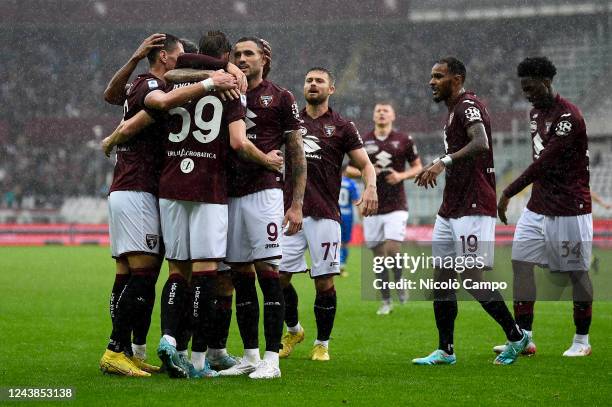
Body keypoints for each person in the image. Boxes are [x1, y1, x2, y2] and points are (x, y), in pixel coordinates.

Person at [99, 33, 239, 377]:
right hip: (138, 189)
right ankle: (115, 349)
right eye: (180, 59)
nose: (184, 66)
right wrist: (211, 80)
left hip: (132, 188)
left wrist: (116, 135)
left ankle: (130, 350)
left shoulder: (149, 85)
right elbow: (155, 107)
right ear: (164, 58)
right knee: (144, 278)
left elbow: (119, 104)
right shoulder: (153, 86)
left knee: (127, 275)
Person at [413, 57, 528, 366]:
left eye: (439, 76)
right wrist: (442, 161)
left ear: (457, 78)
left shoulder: (467, 105)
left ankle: (516, 338)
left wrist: (443, 161)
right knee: (442, 278)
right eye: (431, 76)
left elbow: (481, 143)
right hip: (452, 206)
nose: (432, 82)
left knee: (471, 276)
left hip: (474, 204)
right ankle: (445, 350)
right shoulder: (454, 111)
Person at [214, 37, 307, 379]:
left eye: (248, 54)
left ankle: (272, 359)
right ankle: (251, 355)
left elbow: (296, 152)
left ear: (265, 58)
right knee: (240, 277)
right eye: (236, 55)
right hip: (230, 195)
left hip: (265, 194)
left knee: (269, 275)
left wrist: (296, 204)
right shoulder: (226, 93)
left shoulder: (281, 96)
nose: (241, 59)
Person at [278, 67, 378, 362]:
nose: (313, 84)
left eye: (319, 81)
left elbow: (366, 165)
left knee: (324, 282)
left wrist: (370, 187)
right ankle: (294, 329)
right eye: (309, 80)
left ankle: (322, 343)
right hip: (290, 213)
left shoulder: (343, 126)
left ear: (331, 89)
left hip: (324, 214)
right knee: (279, 278)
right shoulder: (290, 122)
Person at [496, 57, 594, 357]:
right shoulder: (535, 112)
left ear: (546, 82)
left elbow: (545, 161)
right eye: (523, 88)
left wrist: (508, 192)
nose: (526, 94)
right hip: (538, 205)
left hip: (569, 207)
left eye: (530, 87)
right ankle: (524, 337)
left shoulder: (569, 117)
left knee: (575, 272)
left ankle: (581, 341)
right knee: (521, 264)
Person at [349, 102, 422, 315]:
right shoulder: (362, 140)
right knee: (379, 258)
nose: (381, 113)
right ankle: (386, 300)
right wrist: (369, 171)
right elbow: (350, 169)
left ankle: (399, 282)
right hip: (372, 206)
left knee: (392, 250)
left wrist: (400, 175)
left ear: (393, 115)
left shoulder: (404, 140)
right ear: (373, 116)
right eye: (378, 110)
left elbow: (418, 167)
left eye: (385, 111)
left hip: (397, 205)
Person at [338, 166, 360, 277]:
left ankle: (333, 264)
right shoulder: (351, 183)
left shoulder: (333, 180)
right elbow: (356, 201)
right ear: (346, 170)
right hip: (347, 216)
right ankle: (342, 264)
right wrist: (361, 218)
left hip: (335, 214)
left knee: (335, 241)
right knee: (345, 243)